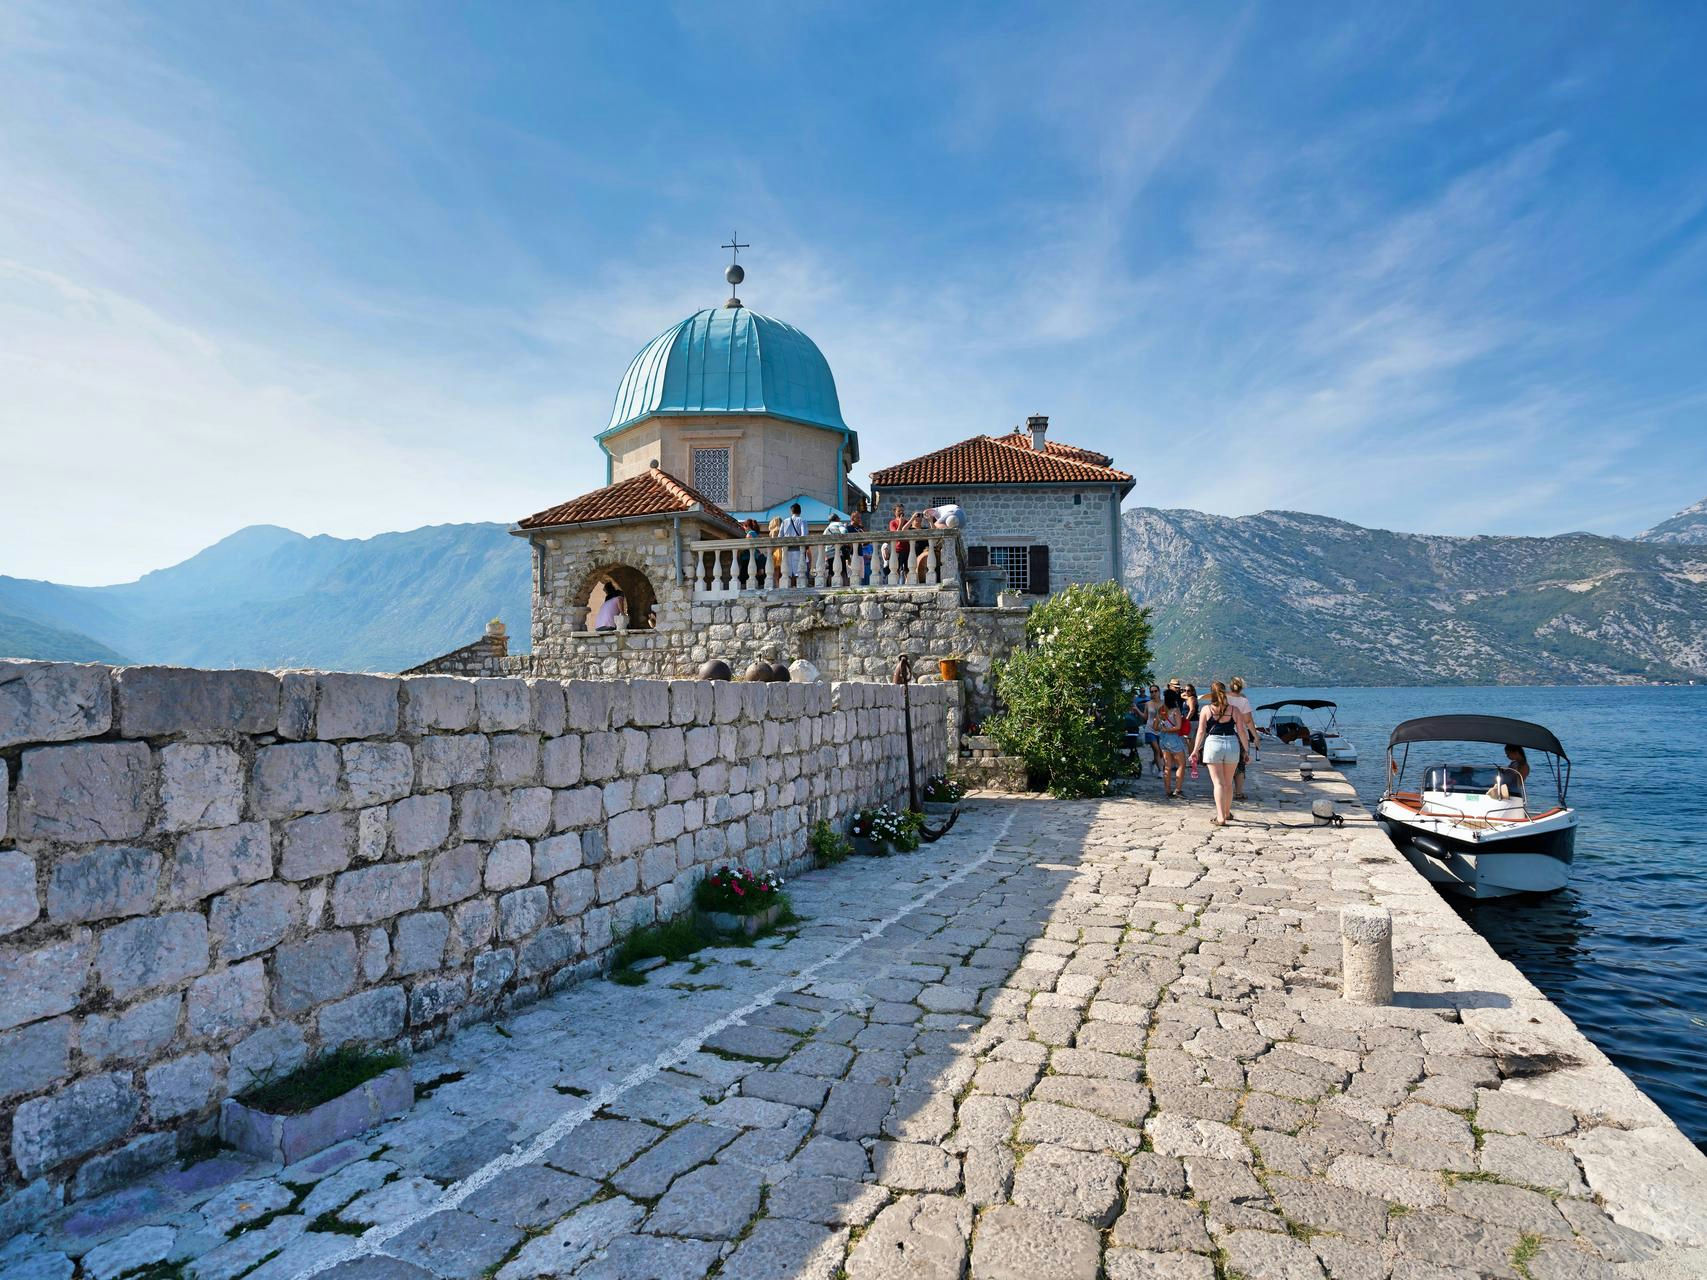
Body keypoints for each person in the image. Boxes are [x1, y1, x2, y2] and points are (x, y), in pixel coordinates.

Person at [1191, 680, 1251, 825]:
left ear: (1211, 693)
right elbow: (1242, 731)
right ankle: (1226, 812)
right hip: (1231, 743)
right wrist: (1246, 750)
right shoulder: (1234, 710)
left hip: (1213, 744)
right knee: (1228, 783)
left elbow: (1201, 731)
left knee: (1218, 784)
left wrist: (1195, 750)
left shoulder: (1206, 710)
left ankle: (1220, 817)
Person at [1154, 688, 1189, 798]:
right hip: (1173, 738)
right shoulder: (1175, 710)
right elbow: (1178, 727)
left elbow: (1155, 726)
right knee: (1181, 764)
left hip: (1163, 739)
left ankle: (1167, 790)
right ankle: (1177, 790)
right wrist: (1168, 730)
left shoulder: (1161, 710)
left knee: (1167, 766)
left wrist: (1163, 729)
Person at [1228, 676, 1256, 800]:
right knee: (1240, 764)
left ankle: (1226, 790)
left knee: (1226, 764)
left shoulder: (1224, 699)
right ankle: (1238, 792)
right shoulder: (1243, 701)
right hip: (1240, 736)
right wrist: (1255, 736)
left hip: (1226, 733)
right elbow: (1248, 720)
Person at [781, 502, 808, 586]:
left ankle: (788, 587)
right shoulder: (802, 520)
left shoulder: (784, 521)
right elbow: (804, 535)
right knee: (798, 571)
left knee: (787, 571)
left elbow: (779, 536)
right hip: (798, 550)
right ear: (800, 511)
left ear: (791, 511)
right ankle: (797, 587)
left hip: (786, 550)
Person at [849, 507, 872, 585]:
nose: (859, 519)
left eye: (860, 518)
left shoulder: (859, 528)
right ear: (852, 518)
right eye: (857, 518)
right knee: (853, 574)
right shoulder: (849, 528)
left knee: (860, 575)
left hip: (860, 553)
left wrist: (862, 528)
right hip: (852, 554)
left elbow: (867, 541)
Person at [738, 518, 762, 588]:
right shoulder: (755, 533)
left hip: (748, 558)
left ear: (747, 526)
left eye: (744, 527)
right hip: (755, 558)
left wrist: (740, 551)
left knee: (744, 576)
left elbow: (746, 546)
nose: (744, 529)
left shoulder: (750, 534)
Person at [888, 503, 908, 582]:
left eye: (902, 511)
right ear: (895, 512)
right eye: (899, 511)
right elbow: (896, 535)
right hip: (897, 550)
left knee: (908, 570)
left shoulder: (907, 522)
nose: (901, 512)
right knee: (896, 570)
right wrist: (900, 523)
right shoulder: (892, 522)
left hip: (907, 549)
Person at [767, 515, 785, 583]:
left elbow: (772, 543)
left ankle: (777, 584)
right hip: (782, 550)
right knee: (782, 570)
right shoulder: (782, 529)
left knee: (776, 570)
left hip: (776, 552)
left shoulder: (773, 532)